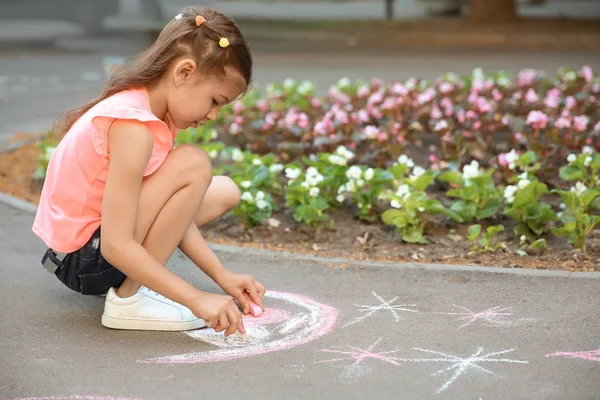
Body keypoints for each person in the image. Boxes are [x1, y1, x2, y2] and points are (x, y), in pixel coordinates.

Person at [32, 8, 265, 336]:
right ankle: (128, 301)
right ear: (184, 72)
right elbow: (115, 245)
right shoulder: (133, 127)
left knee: (223, 189)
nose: (213, 115)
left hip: (92, 249)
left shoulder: (150, 112)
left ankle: (133, 285)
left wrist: (222, 276)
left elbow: (173, 212)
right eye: (214, 100)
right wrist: (196, 298)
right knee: (193, 163)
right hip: (84, 260)